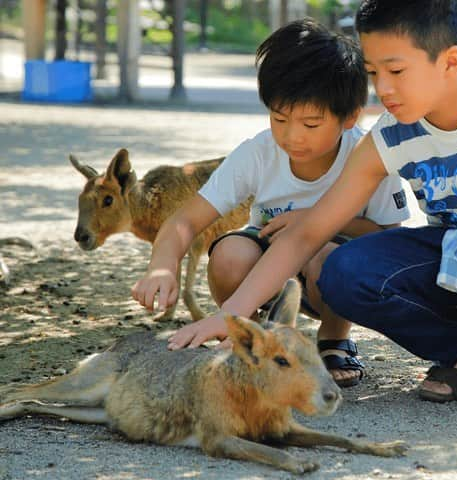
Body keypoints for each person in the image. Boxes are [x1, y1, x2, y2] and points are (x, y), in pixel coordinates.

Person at [138, 0, 457, 425]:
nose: (382, 89)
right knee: (348, 271)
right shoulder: (389, 138)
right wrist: (232, 315)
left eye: (396, 71)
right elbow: (307, 236)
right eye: (373, 73)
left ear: (449, 61)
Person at [131, 18, 410, 388]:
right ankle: (253, 334)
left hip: (330, 270)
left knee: (324, 256)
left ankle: (334, 338)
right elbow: (185, 221)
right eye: (280, 118)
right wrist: (162, 266)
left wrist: (318, 220)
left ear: (350, 117)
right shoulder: (258, 152)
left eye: (310, 124)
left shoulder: (366, 155)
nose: (292, 136)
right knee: (229, 254)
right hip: (267, 255)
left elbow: (388, 238)